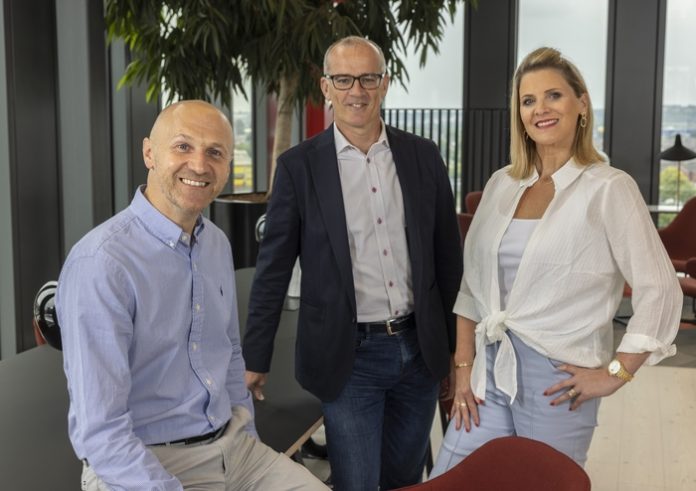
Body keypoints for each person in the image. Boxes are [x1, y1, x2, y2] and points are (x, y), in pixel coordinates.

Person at [431, 46, 683, 475]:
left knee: (542, 483)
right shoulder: (501, 184)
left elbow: (659, 288)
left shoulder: (609, 188)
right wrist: (464, 367)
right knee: (451, 478)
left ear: (581, 103)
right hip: (489, 368)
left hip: (558, 379)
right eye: (528, 100)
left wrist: (615, 373)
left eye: (554, 95)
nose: (540, 109)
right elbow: (472, 287)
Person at [57, 100, 328, 491]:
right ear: (149, 153)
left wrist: (246, 438)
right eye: (183, 146)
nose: (199, 165)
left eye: (215, 152)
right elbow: (102, 433)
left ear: (228, 166)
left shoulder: (215, 243)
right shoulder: (102, 262)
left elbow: (229, 352)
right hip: (145, 464)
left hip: (233, 450)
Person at [242, 36, 463, 490]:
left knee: (405, 479)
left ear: (385, 83)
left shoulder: (423, 156)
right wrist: (254, 358)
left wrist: (458, 351)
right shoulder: (298, 167)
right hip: (349, 357)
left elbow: (448, 258)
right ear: (326, 87)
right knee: (357, 482)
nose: (356, 91)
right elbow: (272, 272)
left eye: (367, 78)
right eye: (343, 79)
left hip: (419, 349)